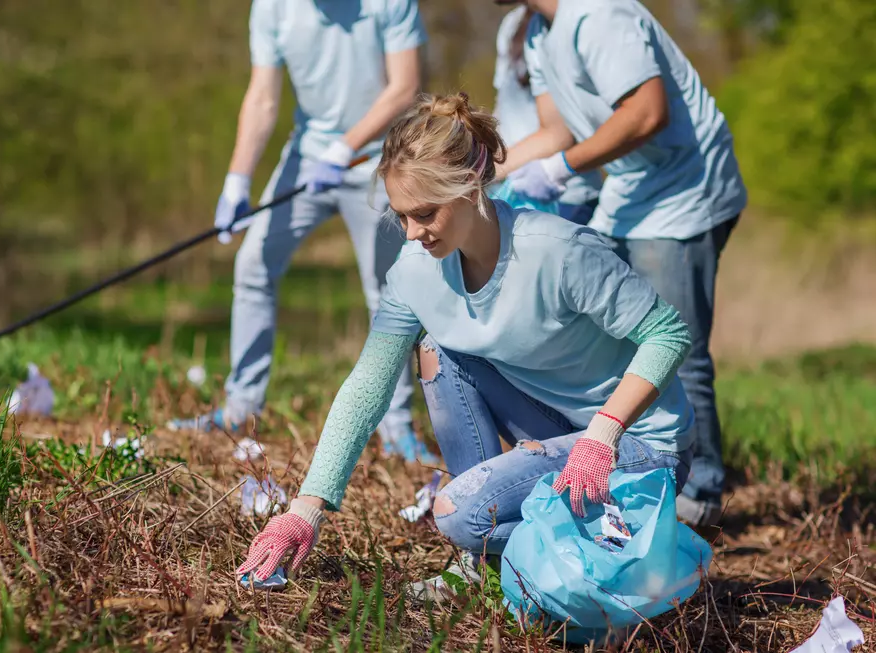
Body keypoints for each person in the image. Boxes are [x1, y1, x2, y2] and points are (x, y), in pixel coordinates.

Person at [236, 93, 697, 603]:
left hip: (637, 441)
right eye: (401, 216)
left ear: (469, 185)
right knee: (438, 348)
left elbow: (668, 334)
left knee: (459, 514)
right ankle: (504, 556)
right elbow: (368, 384)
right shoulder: (415, 273)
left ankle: (592, 539)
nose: (412, 234)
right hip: (554, 426)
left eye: (425, 213)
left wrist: (603, 435)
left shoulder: (559, 251)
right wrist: (305, 508)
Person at [498, 0, 747, 527]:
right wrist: (470, 171)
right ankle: (629, 467)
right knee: (609, 338)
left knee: (674, 343)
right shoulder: (539, 33)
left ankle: (698, 494)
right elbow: (555, 131)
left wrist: (562, 168)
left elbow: (646, 113)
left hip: (685, 192)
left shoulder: (598, 12)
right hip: (631, 193)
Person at [168, 0, 437, 463]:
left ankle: (395, 428)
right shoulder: (272, 8)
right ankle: (240, 408)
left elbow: (406, 86)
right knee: (253, 265)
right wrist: (237, 179)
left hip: (381, 158)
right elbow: (263, 97)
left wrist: (346, 146)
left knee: (388, 293)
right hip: (306, 158)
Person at [491, 1, 603, 225]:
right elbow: (502, 106)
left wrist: (480, 171)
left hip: (563, 196)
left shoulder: (585, 18)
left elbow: (559, 134)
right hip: (510, 191)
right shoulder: (512, 24)